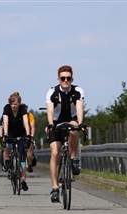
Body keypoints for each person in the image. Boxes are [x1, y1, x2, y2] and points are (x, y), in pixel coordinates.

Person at [45, 65, 85, 203]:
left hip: (71, 120)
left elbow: (79, 108)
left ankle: (74, 158)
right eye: (63, 78)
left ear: (72, 79)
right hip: (56, 122)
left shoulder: (78, 91)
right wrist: (50, 124)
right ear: (58, 79)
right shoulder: (52, 92)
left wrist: (80, 123)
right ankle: (55, 187)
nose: (66, 80)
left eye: (68, 78)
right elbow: (50, 111)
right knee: (55, 153)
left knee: (74, 129)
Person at [2, 92, 31, 191]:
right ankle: (6, 161)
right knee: (8, 146)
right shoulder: (7, 108)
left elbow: (26, 123)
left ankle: (23, 180)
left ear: (19, 104)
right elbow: (5, 122)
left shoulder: (23, 109)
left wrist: (28, 135)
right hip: (10, 131)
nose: (13, 106)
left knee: (22, 156)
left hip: (20, 132)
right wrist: (5, 134)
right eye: (12, 104)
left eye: (15, 104)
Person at [23, 104, 36, 173]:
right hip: (20, 134)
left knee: (29, 149)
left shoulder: (29, 115)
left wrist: (32, 135)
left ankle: (30, 164)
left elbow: (32, 126)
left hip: (28, 135)